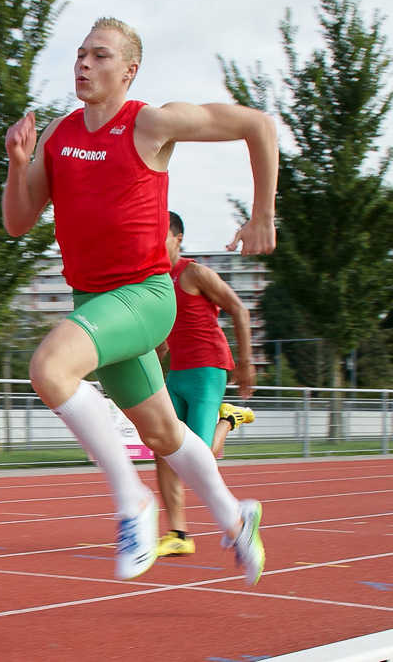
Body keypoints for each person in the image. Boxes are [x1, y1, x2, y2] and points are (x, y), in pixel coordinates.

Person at [2, 17, 277, 584]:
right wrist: (17, 163)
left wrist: (263, 214)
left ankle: (133, 504)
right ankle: (235, 516)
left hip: (146, 295)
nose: (83, 63)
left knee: (50, 369)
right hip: (95, 300)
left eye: (99, 56)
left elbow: (258, 126)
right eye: (79, 54)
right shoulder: (58, 135)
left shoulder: (152, 124)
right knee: (164, 434)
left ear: (129, 70)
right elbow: (17, 222)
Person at [154, 211, 257, 557]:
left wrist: (245, 362)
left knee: (198, 457)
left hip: (209, 368)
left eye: (160, 233)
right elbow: (164, 337)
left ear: (177, 238)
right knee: (163, 449)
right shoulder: (156, 283)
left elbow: (239, 310)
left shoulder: (195, 272)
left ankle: (228, 419)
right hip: (177, 373)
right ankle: (179, 534)